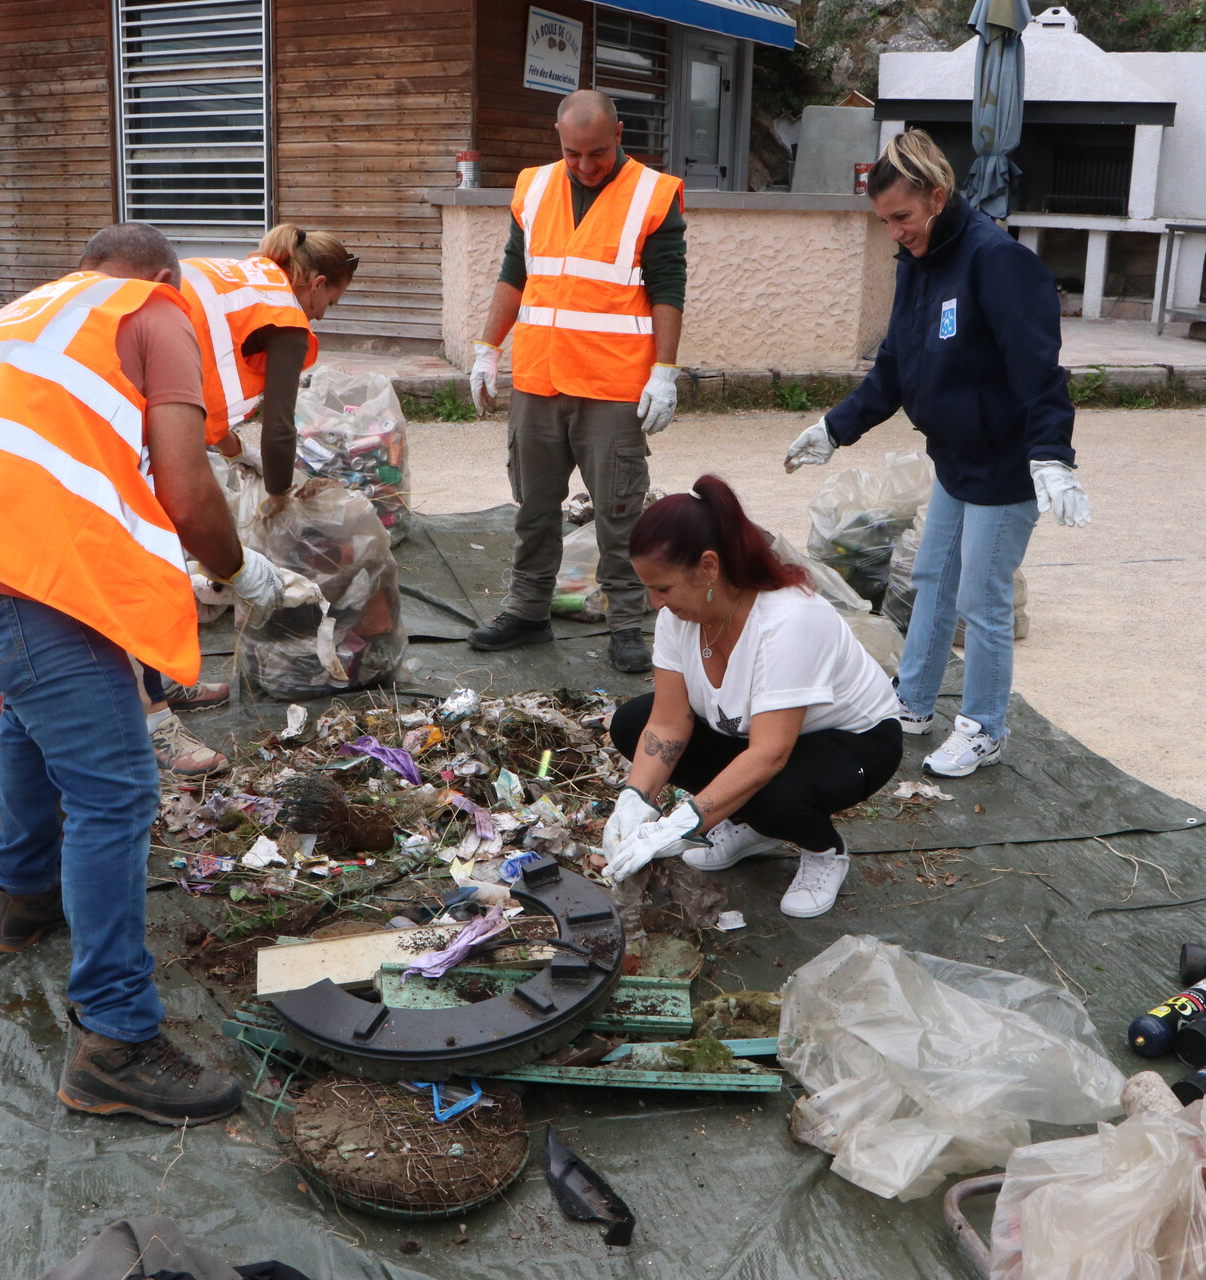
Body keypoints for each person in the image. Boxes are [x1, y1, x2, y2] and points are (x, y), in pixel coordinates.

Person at [0, 222, 287, 1128]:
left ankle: (23, 902)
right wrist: (242, 572)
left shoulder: (27, 313)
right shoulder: (153, 309)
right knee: (117, 789)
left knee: (30, 714)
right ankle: (115, 1044)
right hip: (10, 573)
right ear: (166, 278)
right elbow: (184, 483)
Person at [785, 129, 1089, 779]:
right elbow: (894, 368)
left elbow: (1039, 367)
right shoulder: (918, 265)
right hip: (954, 458)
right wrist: (834, 428)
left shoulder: (994, 261)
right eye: (884, 220)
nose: (894, 231)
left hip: (1005, 465)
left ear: (937, 197)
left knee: (982, 600)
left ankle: (983, 726)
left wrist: (1051, 455)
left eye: (902, 217)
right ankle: (913, 703)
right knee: (932, 581)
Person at [600, 477, 904, 919]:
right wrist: (635, 800)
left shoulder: (788, 620)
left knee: (773, 794)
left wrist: (685, 820)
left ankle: (824, 850)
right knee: (632, 721)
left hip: (853, 741)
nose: (655, 602)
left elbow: (769, 754)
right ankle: (750, 825)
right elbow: (667, 721)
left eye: (663, 588)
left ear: (708, 567)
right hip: (755, 733)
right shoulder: (680, 617)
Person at [464, 88, 688, 675]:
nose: (585, 165)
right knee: (534, 507)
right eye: (572, 153)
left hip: (613, 386)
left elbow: (668, 287)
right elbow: (516, 271)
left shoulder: (652, 195)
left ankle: (626, 625)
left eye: (596, 153)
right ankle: (528, 611)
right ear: (558, 140)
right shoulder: (533, 187)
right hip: (539, 378)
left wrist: (664, 370)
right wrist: (488, 348)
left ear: (619, 135)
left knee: (620, 513)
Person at [142, 224, 359, 725]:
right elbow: (280, 428)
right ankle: (151, 707)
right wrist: (283, 496)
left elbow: (204, 373)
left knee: (155, 545)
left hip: (128, 386)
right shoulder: (283, 313)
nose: (324, 314)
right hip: (135, 409)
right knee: (152, 548)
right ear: (316, 283)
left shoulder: (245, 279)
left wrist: (236, 451)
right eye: (331, 300)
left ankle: (158, 673)